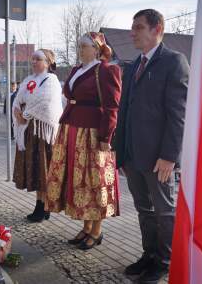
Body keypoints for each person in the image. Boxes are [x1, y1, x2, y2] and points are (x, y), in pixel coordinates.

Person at [113, 9, 189, 283]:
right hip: (133, 155)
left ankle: (165, 261)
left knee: (164, 211)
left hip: (159, 158)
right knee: (144, 210)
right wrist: (119, 150)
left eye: (138, 27)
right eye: (132, 27)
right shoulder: (133, 65)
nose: (132, 32)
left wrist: (169, 156)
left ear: (157, 29)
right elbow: (124, 111)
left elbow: (178, 114)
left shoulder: (174, 62)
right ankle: (149, 255)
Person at [45, 32, 122, 250]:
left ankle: (97, 231)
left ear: (97, 49)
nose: (81, 49)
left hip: (92, 132)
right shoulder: (76, 70)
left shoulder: (107, 70)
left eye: (85, 45)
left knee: (94, 181)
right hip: (72, 128)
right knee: (80, 182)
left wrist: (106, 136)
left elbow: (112, 107)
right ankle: (87, 227)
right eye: (79, 45)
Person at [13, 49, 63, 223]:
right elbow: (18, 99)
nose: (33, 62)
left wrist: (24, 114)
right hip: (29, 131)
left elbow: (45, 102)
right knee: (35, 169)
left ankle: (43, 207)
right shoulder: (28, 80)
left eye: (38, 59)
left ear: (47, 63)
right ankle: (40, 205)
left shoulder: (52, 81)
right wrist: (17, 110)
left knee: (43, 169)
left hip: (43, 132)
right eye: (32, 59)